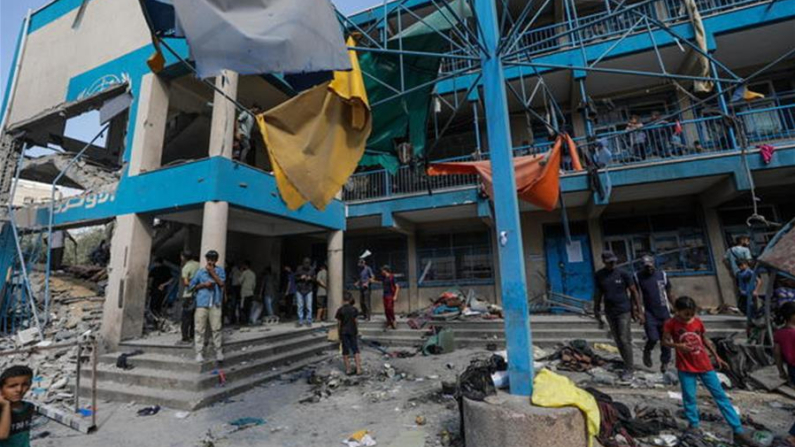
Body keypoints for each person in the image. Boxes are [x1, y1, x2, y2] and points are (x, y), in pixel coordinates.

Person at [662, 297, 760, 446]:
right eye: (685, 314)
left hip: (704, 365)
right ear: (677, 311)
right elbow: (664, 341)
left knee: (720, 396)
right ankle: (693, 425)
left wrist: (716, 357)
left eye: (691, 314)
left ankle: (737, 429)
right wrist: (677, 346)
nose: (689, 317)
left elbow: (703, 339)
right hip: (685, 366)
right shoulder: (670, 324)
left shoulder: (697, 322)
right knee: (689, 398)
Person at [594, 251, 642, 379]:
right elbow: (598, 293)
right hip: (610, 311)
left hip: (623, 311)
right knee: (618, 340)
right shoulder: (600, 275)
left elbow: (634, 292)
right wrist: (596, 309)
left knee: (624, 339)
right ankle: (626, 363)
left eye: (614, 262)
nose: (612, 264)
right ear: (604, 261)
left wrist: (638, 310)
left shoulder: (623, 273)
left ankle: (629, 368)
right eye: (609, 262)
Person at [635, 255, 675, 372]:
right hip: (649, 313)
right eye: (646, 267)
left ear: (654, 264)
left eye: (650, 266)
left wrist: (676, 308)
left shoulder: (662, 275)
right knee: (653, 338)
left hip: (664, 312)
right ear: (643, 266)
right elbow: (636, 295)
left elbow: (669, 293)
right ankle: (647, 350)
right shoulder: (638, 277)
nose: (649, 269)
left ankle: (665, 362)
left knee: (666, 340)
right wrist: (639, 312)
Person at [189, 250, 226, 363]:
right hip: (202, 303)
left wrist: (213, 273)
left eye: (213, 259)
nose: (211, 261)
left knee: (216, 328)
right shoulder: (200, 272)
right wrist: (203, 285)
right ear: (206, 259)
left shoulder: (220, 271)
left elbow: (221, 283)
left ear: (216, 260)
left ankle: (218, 351)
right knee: (199, 328)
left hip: (215, 303)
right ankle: (199, 352)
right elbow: (191, 287)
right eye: (209, 258)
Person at [774, 303, 795, 446]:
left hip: (792, 370)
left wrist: (781, 371)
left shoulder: (779, 333)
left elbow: (777, 354)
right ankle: (793, 437)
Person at [0, 365, 34, 447]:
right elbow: (2, 435)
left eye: (25, 384)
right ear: (1, 389)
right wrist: (5, 406)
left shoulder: (28, 407)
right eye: (12, 386)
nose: (19, 389)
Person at [335, 293, 362, 376]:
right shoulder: (354, 309)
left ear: (343, 300)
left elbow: (339, 323)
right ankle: (358, 369)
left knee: (345, 350)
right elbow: (355, 321)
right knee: (355, 349)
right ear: (350, 300)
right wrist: (357, 330)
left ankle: (348, 369)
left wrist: (339, 333)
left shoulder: (340, 310)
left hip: (343, 331)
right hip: (352, 331)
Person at [179, 251, 200, 345]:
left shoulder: (186, 267)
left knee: (185, 317)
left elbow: (186, 282)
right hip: (199, 294)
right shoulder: (199, 265)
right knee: (194, 316)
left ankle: (185, 338)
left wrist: (192, 286)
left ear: (183, 257)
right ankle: (192, 335)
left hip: (189, 295)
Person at [295, 258, 315, 327]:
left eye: (308, 263)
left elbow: (314, 279)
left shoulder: (312, 269)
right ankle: (300, 320)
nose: (306, 264)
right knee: (300, 306)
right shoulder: (299, 269)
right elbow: (295, 278)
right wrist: (301, 277)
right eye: (305, 263)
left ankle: (309, 320)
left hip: (308, 289)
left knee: (309, 306)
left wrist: (310, 278)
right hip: (300, 289)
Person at [378, 265, 400, 330]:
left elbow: (397, 287)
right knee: (386, 310)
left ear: (385, 270)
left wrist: (395, 296)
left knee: (389, 307)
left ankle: (393, 320)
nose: (381, 272)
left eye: (382, 270)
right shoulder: (383, 277)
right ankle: (389, 322)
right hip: (385, 295)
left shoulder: (392, 277)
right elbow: (379, 281)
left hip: (390, 295)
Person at [239, 260, 256, 325]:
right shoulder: (253, 273)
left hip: (244, 293)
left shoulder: (244, 273)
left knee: (243, 307)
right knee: (249, 307)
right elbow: (254, 284)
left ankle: (243, 321)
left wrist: (241, 272)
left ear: (246, 266)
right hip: (251, 292)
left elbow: (239, 281)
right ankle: (247, 320)